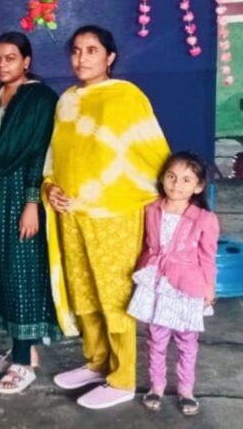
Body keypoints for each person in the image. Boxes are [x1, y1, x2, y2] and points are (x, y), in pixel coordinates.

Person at [46, 25, 170, 409]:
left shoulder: (126, 96)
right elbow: (55, 156)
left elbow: (152, 151)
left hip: (115, 214)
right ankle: (97, 362)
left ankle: (122, 378)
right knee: (83, 291)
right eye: (76, 50)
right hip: (72, 214)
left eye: (92, 50)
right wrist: (50, 187)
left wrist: (173, 201)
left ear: (110, 57)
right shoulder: (66, 100)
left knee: (114, 295)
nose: (82, 58)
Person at [0, 32, 60, 393]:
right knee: (1, 271)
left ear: (26, 61)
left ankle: (24, 364)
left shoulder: (40, 99)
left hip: (23, 192)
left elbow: (40, 152)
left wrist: (31, 203)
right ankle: (22, 349)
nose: (1, 64)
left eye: (10, 58)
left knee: (22, 272)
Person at [130, 152, 218, 416]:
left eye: (186, 180)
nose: (177, 184)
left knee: (187, 341)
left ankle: (186, 390)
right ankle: (156, 386)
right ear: (162, 178)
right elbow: (146, 245)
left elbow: (207, 257)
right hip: (157, 284)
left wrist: (208, 288)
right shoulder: (151, 210)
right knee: (156, 338)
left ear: (198, 187)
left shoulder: (204, 219)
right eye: (171, 176)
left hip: (187, 286)